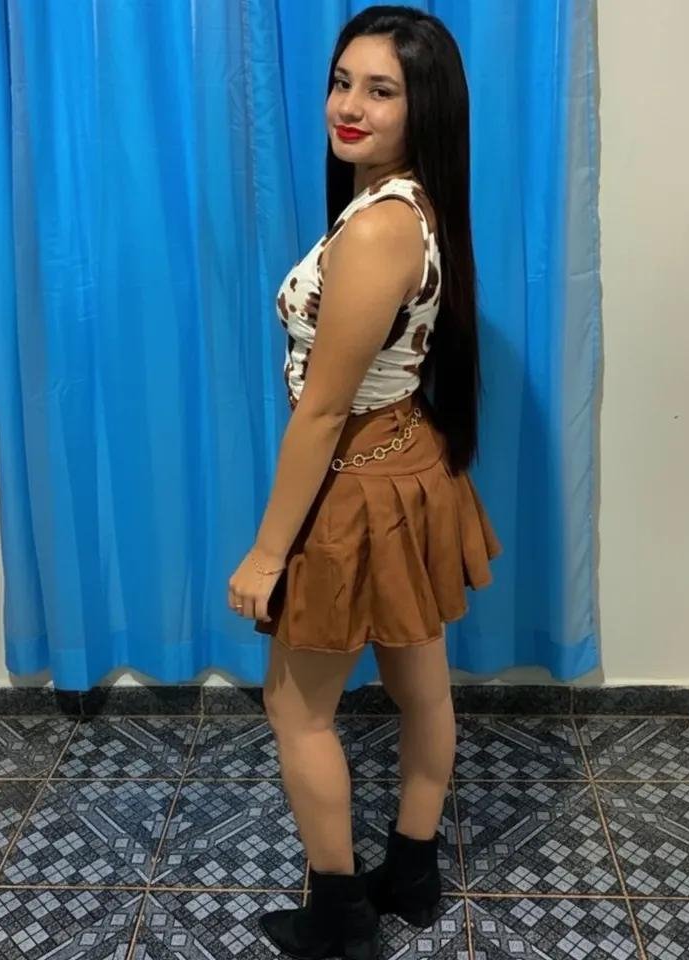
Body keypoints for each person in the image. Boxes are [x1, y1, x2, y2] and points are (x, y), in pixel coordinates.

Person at [227, 5, 503, 958]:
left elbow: (321, 413)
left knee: (294, 706)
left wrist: (269, 553)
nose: (349, 106)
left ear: (423, 108)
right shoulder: (411, 202)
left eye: (381, 91)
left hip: (357, 483)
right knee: (420, 684)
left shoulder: (383, 227)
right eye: (342, 82)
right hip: (408, 465)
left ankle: (342, 918)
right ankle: (414, 876)